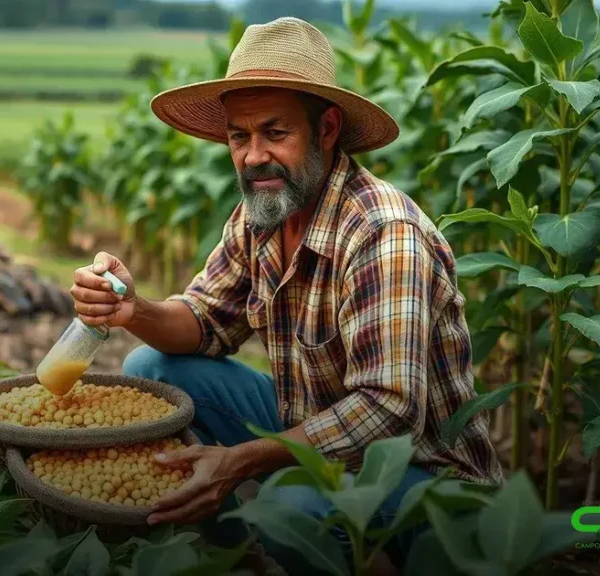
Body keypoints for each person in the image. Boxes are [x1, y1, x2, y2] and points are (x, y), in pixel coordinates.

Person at [68, 17, 504, 576]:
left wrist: (240, 461)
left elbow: (388, 411)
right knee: (151, 364)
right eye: (239, 137)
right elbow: (205, 321)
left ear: (326, 129)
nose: (253, 157)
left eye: (275, 133)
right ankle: (234, 556)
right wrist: (137, 309)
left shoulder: (382, 233)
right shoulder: (263, 214)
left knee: (288, 509)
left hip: (425, 478)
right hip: (320, 433)